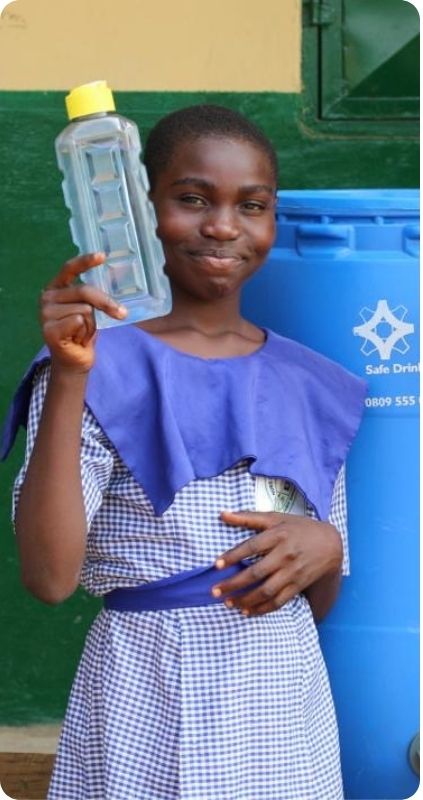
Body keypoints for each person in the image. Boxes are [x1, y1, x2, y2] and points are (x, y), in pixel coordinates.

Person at [2, 105, 365, 799]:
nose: (224, 226)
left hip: (281, 704)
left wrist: (326, 545)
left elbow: (314, 594)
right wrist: (74, 375)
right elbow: (48, 579)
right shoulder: (92, 364)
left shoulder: (304, 383)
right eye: (193, 198)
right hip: (147, 689)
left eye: (251, 205)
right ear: (139, 206)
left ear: (272, 218)